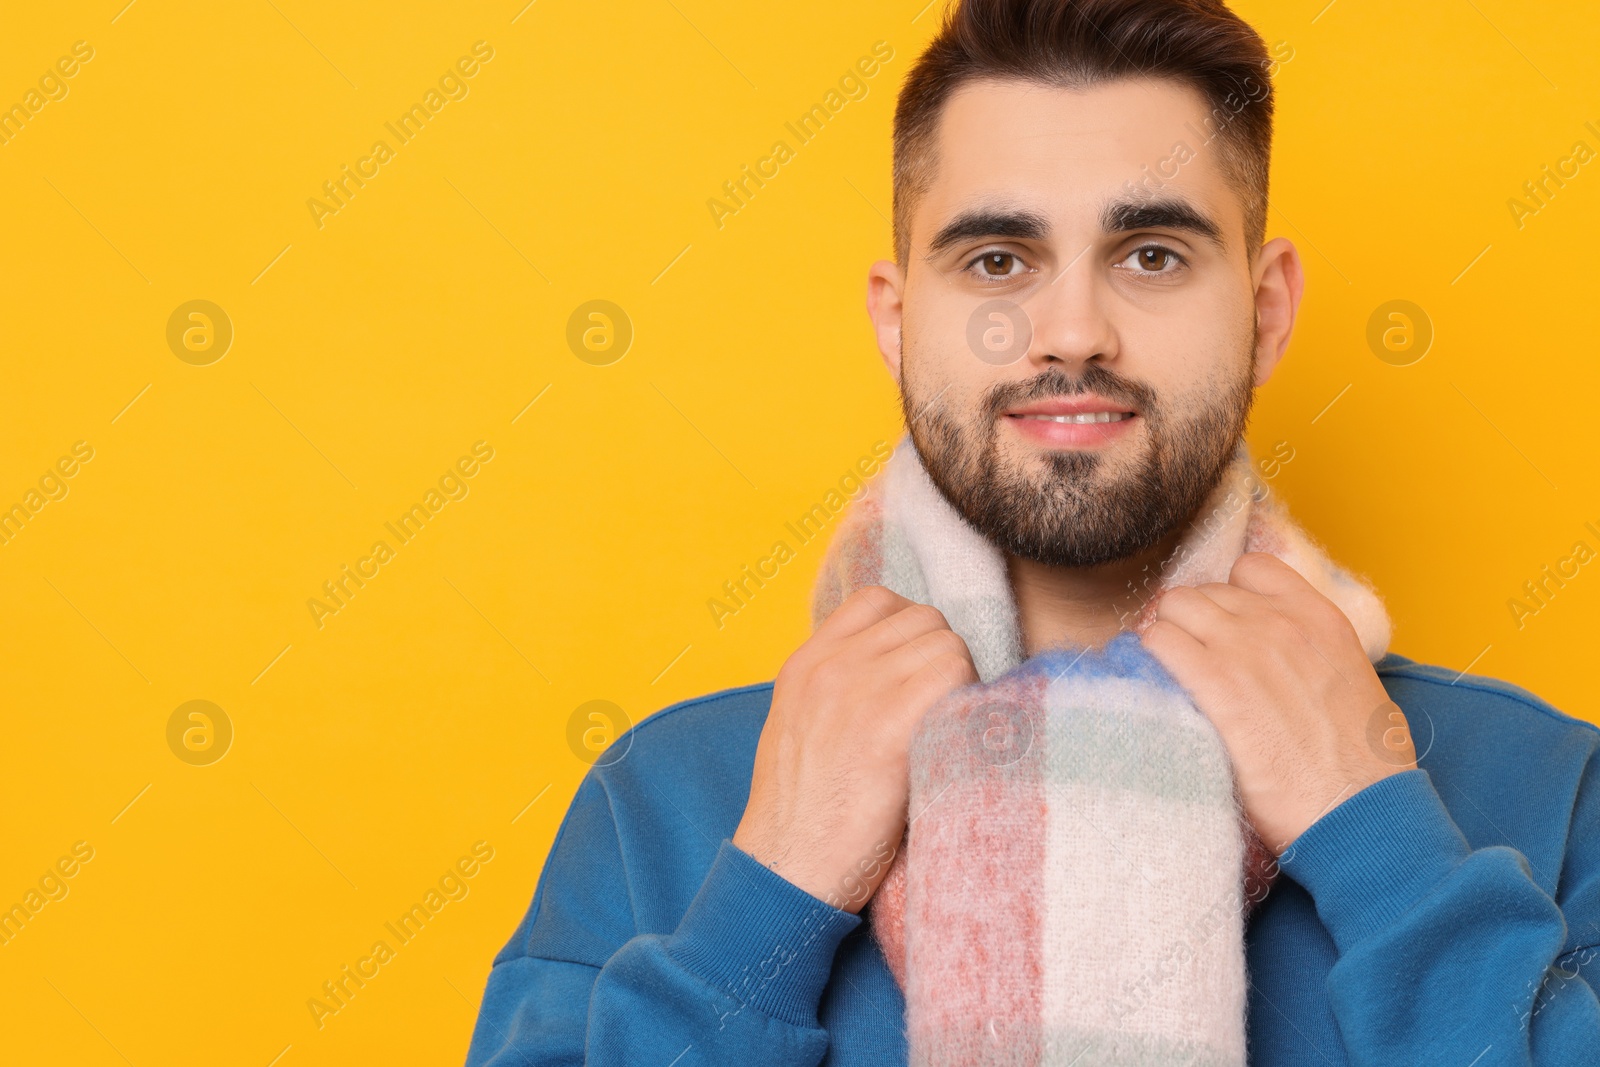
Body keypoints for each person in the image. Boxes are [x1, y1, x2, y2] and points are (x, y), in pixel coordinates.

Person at [463, 1, 1600, 1062]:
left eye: (1150, 255)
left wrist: (1378, 842)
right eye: (997, 260)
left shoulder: (1541, 794)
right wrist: (773, 891)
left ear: (1263, 315)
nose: (1071, 331)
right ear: (898, 323)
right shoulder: (667, 807)